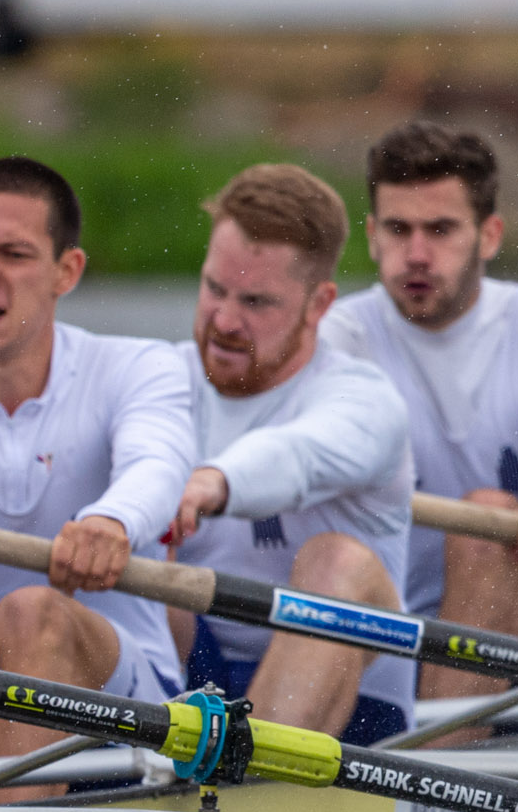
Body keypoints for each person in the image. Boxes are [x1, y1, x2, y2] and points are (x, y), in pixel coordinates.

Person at [0, 157, 195, 797]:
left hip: (126, 701)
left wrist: (112, 521)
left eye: (13, 254)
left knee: (31, 613)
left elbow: (158, 461)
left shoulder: (137, 367)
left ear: (67, 271)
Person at [320, 121, 518, 706]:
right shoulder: (341, 336)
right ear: (370, 235)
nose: (416, 255)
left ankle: (434, 779)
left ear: (489, 235)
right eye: (398, 229)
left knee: (486, 523)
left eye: (441, 230)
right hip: (391, 630)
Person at [171, 165, 418, 742]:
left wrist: (213, 482)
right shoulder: (158, 380)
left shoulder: (365, 401)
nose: (225, 321)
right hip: (192, 671)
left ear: (318, 304)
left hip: (354, 706)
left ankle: (250, 807)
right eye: (214, 289)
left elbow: (296, 456)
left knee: (338, 563)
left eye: (256, 301)